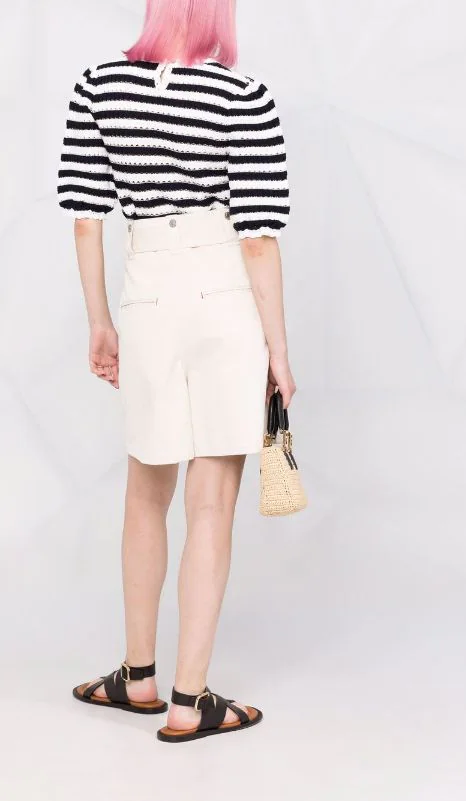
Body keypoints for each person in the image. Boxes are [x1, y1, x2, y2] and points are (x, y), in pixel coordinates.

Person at [57, 0, 295, 744]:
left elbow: (86, 215)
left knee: (144, 492)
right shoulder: (243, 95)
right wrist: (278, 351)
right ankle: (190, 703)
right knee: (211, 502)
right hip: (224, 296)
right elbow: (257, 237)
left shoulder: (99, 85)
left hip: (147, 292)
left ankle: (138, 678)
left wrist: (100, 320)